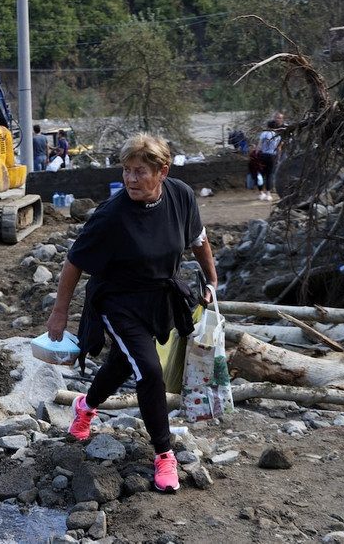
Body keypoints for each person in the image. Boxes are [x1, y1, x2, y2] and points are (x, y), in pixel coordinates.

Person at [46, 133, 218, 493]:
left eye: (140, 171)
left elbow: (198, 239)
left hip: (160, 297)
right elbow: (74, 262)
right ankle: (164, 454)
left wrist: (212, 280)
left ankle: (85, 407)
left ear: (162, 172)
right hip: (118, 302)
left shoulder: (181, 196)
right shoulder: (112, 215)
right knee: (150, 370)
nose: (130, 179)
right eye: (126, 170)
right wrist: (59, 314)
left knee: (125, 362)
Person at [257, 120, 281, 201]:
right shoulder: (278, 136)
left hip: (263, 155)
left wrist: (256, 154)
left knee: (260, 174)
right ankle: (268, 194)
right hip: (272, 156)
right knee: (269, 175)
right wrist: (278, 158)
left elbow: (259, 145)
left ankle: (261, 192)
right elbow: (279, 148)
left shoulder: (264, 134)